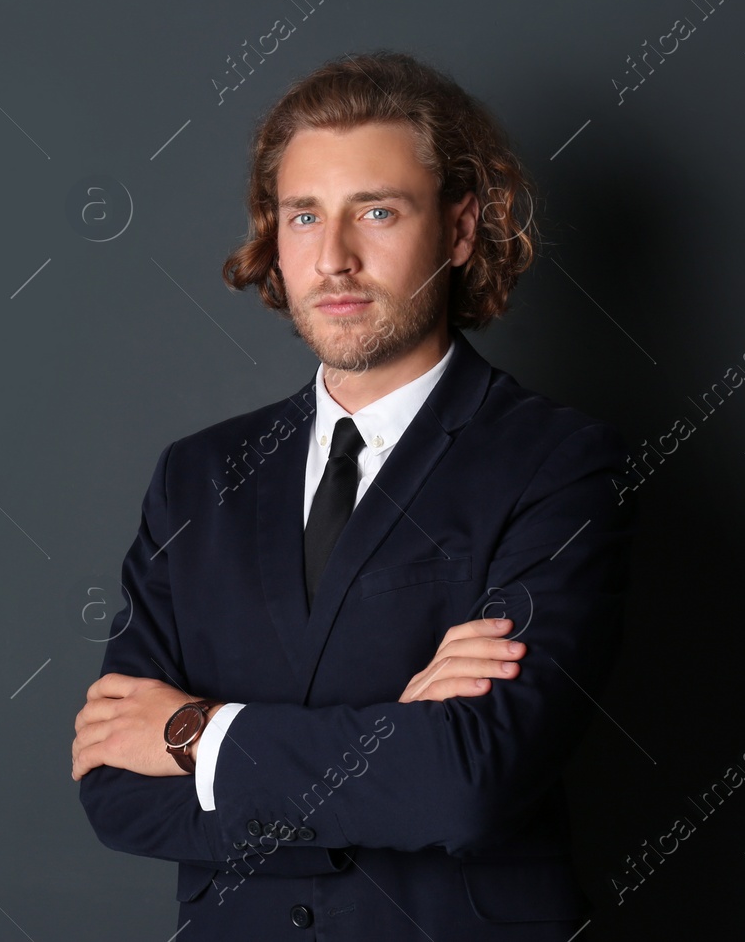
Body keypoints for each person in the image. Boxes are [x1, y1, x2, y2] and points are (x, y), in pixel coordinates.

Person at [73, 50, 638, 940]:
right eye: (304, 216)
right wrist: (387, 750)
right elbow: (113, 787)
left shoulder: (559, 464)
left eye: (376, 211)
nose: (332, 257)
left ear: (459, 230)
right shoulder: (197, 475)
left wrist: (198, 736)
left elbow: (465, 783)